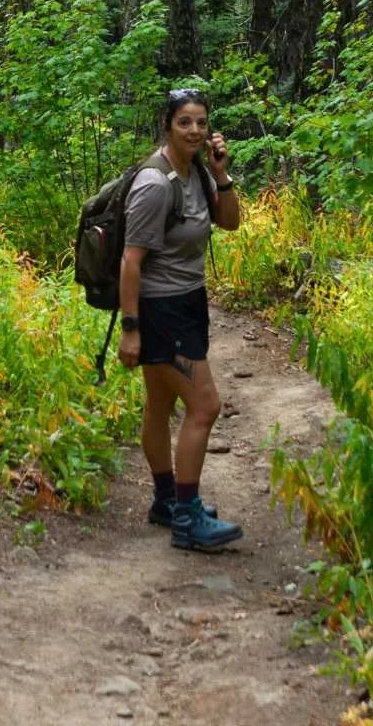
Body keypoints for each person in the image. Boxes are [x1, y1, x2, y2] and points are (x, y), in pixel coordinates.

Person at [118, 87, 244, 552]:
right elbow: (131, 262)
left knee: (158, 403)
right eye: (184, 122)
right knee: (205, 406)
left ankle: (166, 501)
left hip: (188, 301)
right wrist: (132, 331)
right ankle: (188, 518)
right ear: (167, 126)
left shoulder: (196, 173)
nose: (194, 130)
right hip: (161, 309)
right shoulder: (156, 184)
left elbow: (230, 223)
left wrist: (221, 174)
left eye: (200, 123)